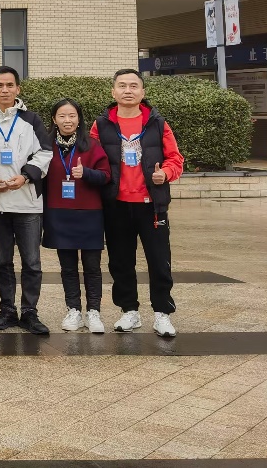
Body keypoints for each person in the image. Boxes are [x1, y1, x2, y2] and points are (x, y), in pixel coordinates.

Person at [90, 69, 185, 337]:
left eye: (134, 86)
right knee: (120, 262)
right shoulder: (101, 125)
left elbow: (176, 159)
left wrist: (165, 173)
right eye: (122, 86)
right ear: (113, 92)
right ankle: (129, 311)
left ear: (143, 92)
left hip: (151, 205)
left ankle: (162, 313)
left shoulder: (157, 123)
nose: (128, 90)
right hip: (116, 204)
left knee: (159, 260)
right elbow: (91, 159)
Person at [0, 67, 53, 335]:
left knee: (32, 262)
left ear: (18, 89)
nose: (5, 90)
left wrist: (25, 176)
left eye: (10, 85)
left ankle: (30, 312)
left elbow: (45, 152)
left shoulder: (31, 119)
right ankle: (7, 310)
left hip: (27, 202)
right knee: (2, 262)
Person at [43, 98, 111, 334]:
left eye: (72, 116)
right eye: (62, 116)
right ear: (54, 119)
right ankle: (73, 309)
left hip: (89, 213)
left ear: (79, 119)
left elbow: (106, 175)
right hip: (59, 213)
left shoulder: (91, 145)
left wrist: (87, 173)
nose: (67, 120)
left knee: (92, 266)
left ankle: (94, 311)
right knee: (68, 267)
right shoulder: (45, 145)